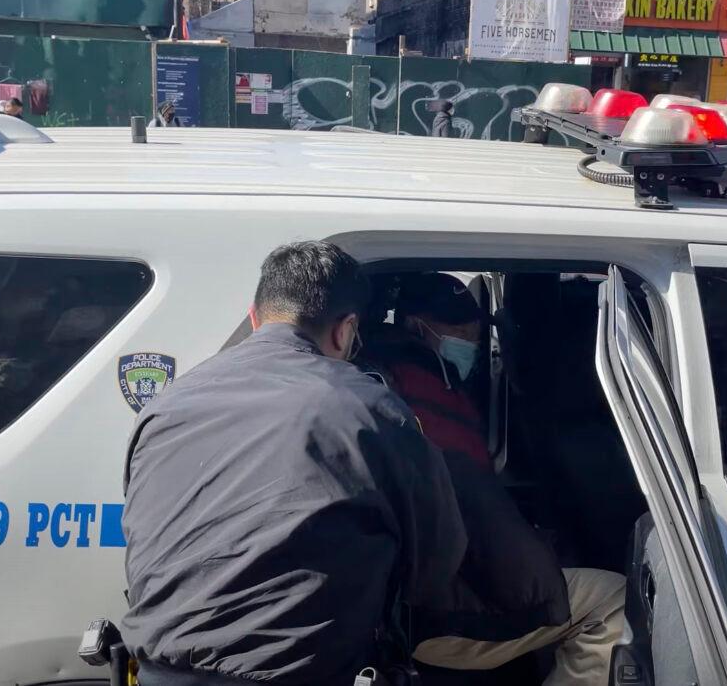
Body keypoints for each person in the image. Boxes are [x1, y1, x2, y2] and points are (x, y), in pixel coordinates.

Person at [122, 242, 468, 685]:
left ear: (255, 316)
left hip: (157, 671)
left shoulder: (167, 404)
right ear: (346, 331)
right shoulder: (368, 408)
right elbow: (435, 567)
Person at [360, 272, 627, 686]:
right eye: (456, 327)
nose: (469, 337)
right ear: (417, 325)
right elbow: (453, 508)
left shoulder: (417, 379)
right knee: (614, 601)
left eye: (474, 328)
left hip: (436, 585)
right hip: (432, 609)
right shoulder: (408, 395)